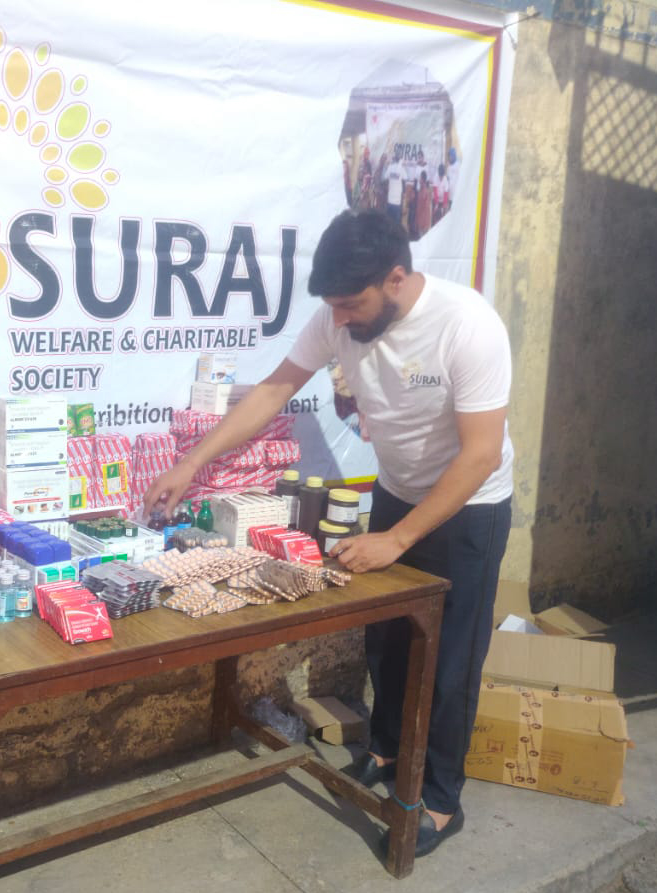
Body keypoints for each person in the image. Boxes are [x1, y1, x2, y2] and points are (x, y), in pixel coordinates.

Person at [144, 209, 513, 858]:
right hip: (397, 493)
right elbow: (273, 392)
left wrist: (397, 539)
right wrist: (191, 463)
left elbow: (480, 453)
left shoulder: (468, 325)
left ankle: (440, 798)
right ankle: (389, 750)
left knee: (450, 661)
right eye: (333, 307)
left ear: (395, 278)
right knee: (386, 641)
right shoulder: (337, 317)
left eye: (351, 304)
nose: (338, 319)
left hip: (468, 508)